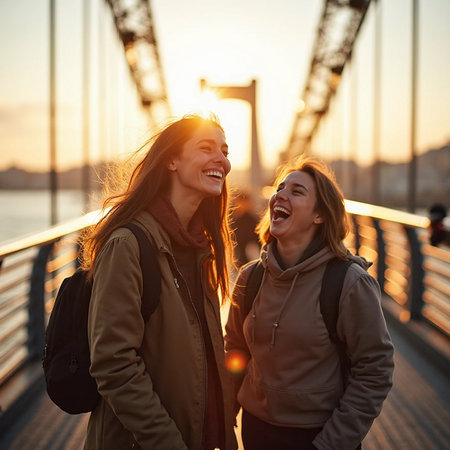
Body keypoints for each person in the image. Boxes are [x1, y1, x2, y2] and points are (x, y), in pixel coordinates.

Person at [81, 114, 237, 450]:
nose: (221, 160)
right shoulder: (128, 245)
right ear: (171, 161)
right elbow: (114, 364)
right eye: (206, 148)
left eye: (224, 151)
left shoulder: (202, 250)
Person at [225, 156, 394, 450]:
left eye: (297, 191)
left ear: (319, 216)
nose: (280, 194)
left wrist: (329, 445)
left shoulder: (349, 282)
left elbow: (374, 370)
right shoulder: (250, 278)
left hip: (320, 436)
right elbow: (236, 351)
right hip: (256, 433)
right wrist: (224, 416)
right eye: (280, 188)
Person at [231, 190, 260, 268]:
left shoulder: (251, 219)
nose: (239, 205)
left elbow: (257, 240)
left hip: (249, 258)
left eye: (242, 202)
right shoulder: (234, 218)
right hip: (238, 257)